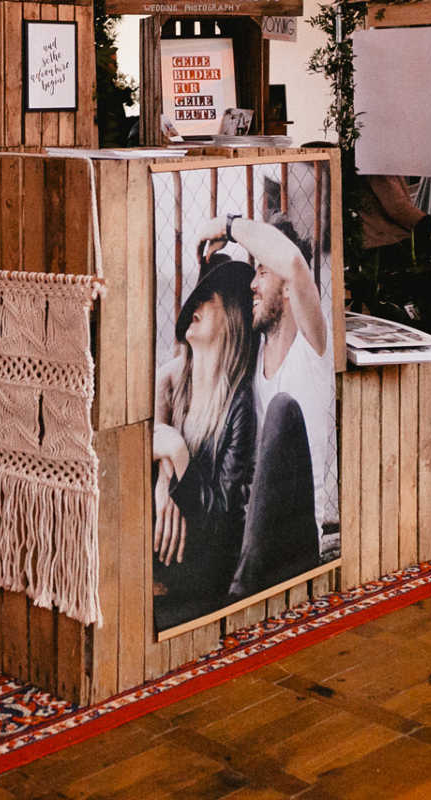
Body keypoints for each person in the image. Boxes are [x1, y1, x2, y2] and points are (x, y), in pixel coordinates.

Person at [193, 212, 335, 575]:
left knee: (281, 411)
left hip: (301, 534)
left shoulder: (313, 346)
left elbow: (291, 261)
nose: (253, 285)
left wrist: (229, 226)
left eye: (262, 272)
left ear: (288, 287)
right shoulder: (253, 359)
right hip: (250, 529)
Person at [151, 258, 258, 631]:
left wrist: (178, 452)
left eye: (205, 298)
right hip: (165, 553)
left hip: (202, 569)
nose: (193, 307)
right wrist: (166, 484)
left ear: (231, 315)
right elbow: (149, 430)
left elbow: (221, 519)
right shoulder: (177, 381)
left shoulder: (241, 405)